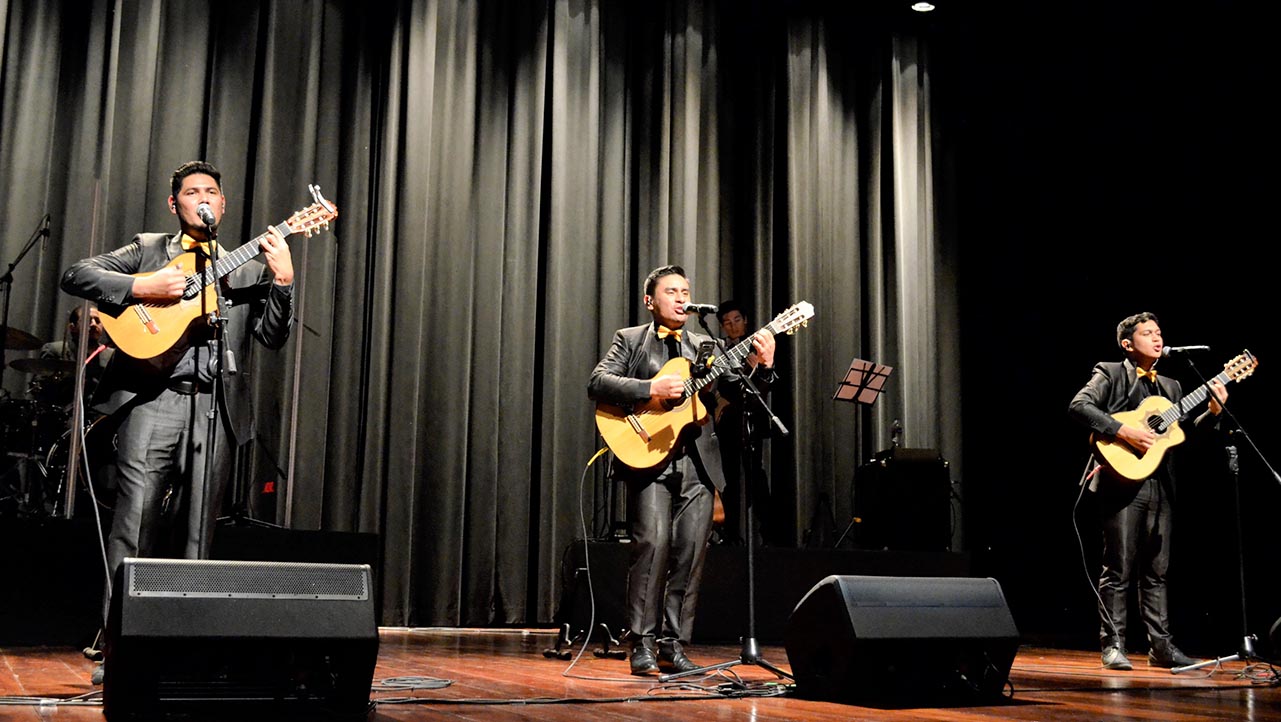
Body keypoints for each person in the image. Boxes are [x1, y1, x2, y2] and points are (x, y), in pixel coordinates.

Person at [60, 161, 295, 681]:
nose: (203, 198)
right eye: (192, 192)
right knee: (134, 525)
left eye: (212, 190)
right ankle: (119, 645)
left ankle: (184, 648)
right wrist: (145, 288)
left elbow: (273, 338)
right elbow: (76, 274)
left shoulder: (246, 267)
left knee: (197, 537)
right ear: (176, 205)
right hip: (153, 400)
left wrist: (282, 281)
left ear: (223, 204)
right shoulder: (149, 248)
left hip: (217, 406)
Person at [588, 266, 775, 676]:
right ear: (650, 300)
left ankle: (674, 642)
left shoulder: (704, 344)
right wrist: (649, 389)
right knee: (652, 546)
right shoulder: (630, 339)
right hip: (648, 455)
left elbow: (739, 395)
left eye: (685, 291)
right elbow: (598, 381)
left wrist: (763, 367)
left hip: (698, 463)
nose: (680, 297)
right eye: (671, 291)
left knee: (691, 551)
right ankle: (641, 641)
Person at [1068, 311, 1225, 671]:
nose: (1157, 338)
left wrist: (1213, 411)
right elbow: (1079, 406)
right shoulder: (1110, 372)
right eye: (1148, 333)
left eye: (1159, 332)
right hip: (1121, 480)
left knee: (1157, 569)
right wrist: (1123, 432)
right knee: (1118, 567)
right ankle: (1113, 645)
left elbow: (1180, 437)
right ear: (1128, 343)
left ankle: (1162, 648)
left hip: (1160, 483)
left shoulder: (1170, 387)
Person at [711, 299, 777, 547]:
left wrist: (759, 369)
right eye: (727, 323)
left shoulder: (757, 348)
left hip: (751, 422)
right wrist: (721, 400)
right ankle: (729, 534)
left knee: (756, 478)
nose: (732, 326)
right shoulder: (719, 350)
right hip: (726, 425)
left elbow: (764, 387)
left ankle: (769, 535)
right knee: (728, 478)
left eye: (737, 320)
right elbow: (719, 386)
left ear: (746, 321)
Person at [33, 305, 114, 408]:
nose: (93, 324)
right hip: (63, 413)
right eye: (87, 320)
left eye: (97, 320)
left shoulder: (110, 355)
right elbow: (40, 388)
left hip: (99, 416)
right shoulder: (55, 350)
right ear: (72, 327)